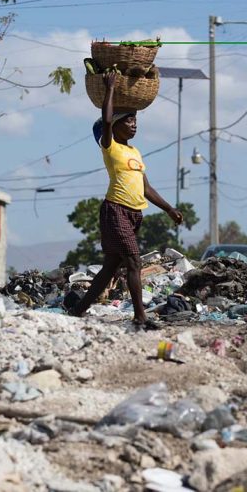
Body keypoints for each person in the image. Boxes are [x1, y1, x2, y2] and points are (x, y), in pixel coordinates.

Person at [70, 71, 183, 329]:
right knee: (134, 261)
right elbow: (106, 120)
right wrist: (110, 88)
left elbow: (146, 187)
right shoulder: (110, 147)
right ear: (116, 125)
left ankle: (78, 310)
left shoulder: (135, 152)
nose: (134, 124)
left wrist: (168, 209)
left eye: (135, 120)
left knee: (111, 267)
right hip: (115, 211)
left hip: (134, 214)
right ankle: (140, 316)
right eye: (129, 120)